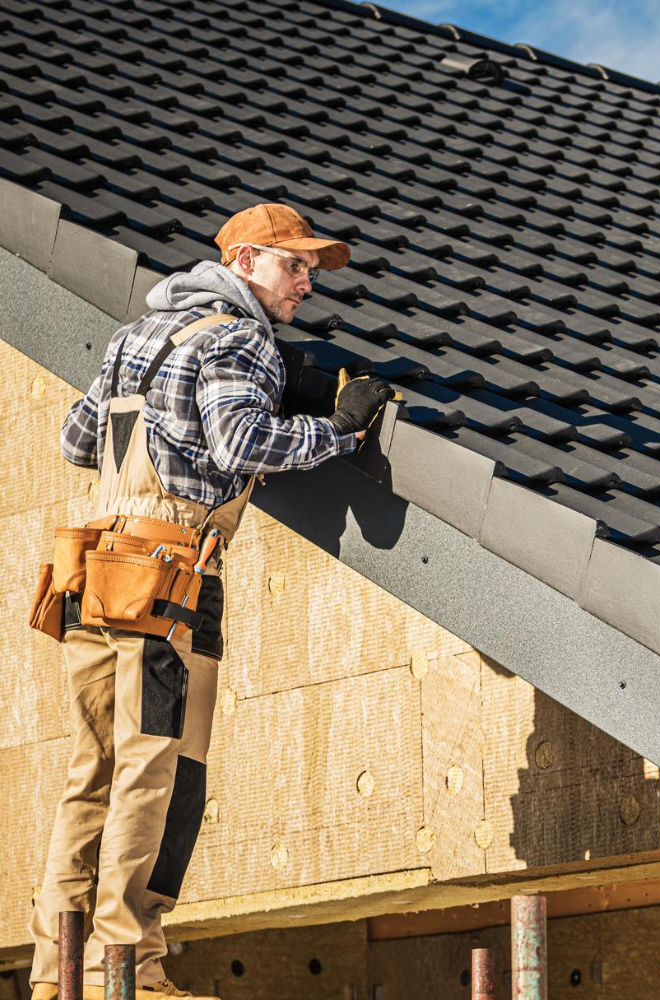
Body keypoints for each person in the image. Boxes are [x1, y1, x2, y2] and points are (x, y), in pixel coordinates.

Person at [28, 204, 393, 1000]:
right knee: (160, 768)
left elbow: (76, 441)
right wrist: (340, 430)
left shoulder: (134, 338)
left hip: (98, 570)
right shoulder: (237, 337)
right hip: (172, 575)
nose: (306, 283)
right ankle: (128, 970)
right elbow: (242, 443)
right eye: (295, 266)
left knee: (92, 770)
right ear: (248, 259)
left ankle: (61, 976)